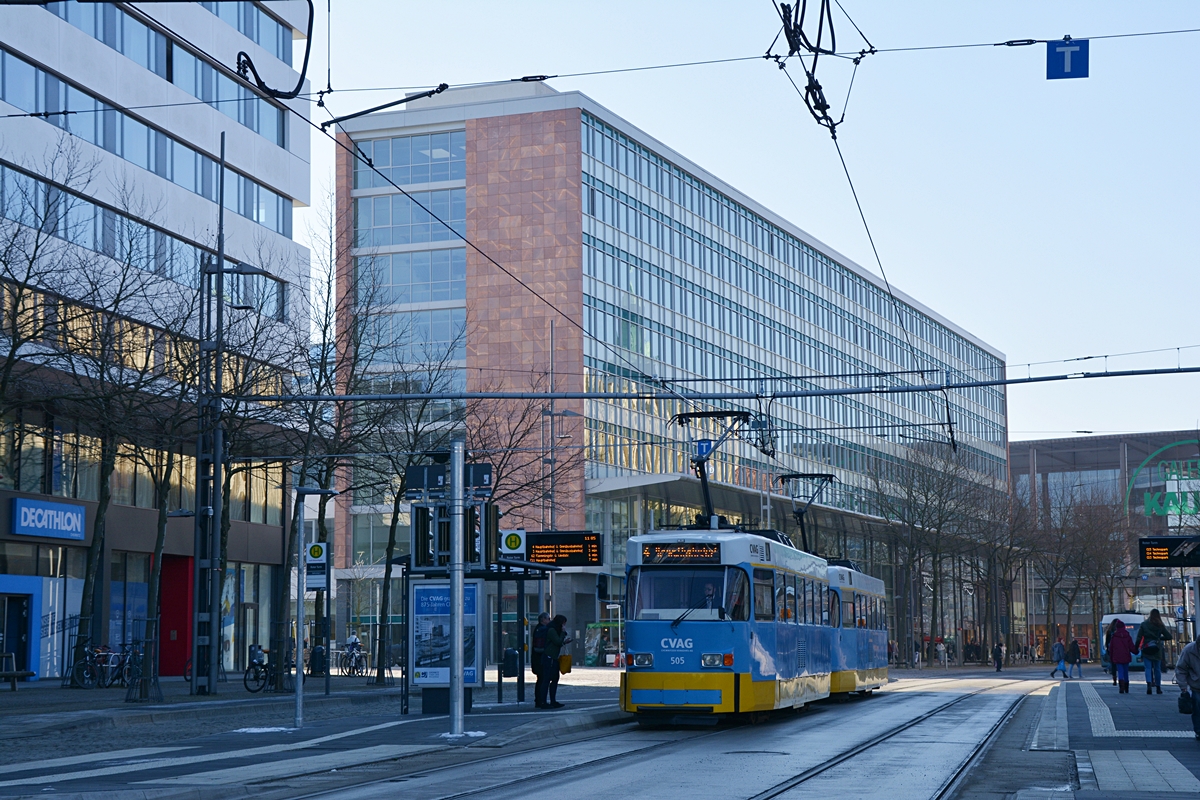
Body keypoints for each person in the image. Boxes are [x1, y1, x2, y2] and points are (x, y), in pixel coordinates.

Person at [1139, 608, 1173, 695]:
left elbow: (1139, 638)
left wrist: (1136, 648)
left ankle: (1149, 685)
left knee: (1148, 668)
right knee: (1157, 669)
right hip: (1157, 649)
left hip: (1146, 648)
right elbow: (1169, 636)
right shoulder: (1160, 625)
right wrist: (1159, 638)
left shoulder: (1144, 624)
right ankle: (1158, 687)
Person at [1173, 638, 1200, 740]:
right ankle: (1198, 731)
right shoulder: (1189, 650)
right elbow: (1181, 668)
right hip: (1196, 684)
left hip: (1195, 681)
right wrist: (1183, 687)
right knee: (1197, 707)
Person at [544, 614, 572, 709]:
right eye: (563, 624)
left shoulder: (554, 629)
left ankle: (553, 700)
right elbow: (558, 641)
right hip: (549, 657)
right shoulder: (552, 630)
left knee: (555, 678)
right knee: (547, 679)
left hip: (553, 657)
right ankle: (544, 701)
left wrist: (565, 641)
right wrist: (563, 633)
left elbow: (559, 642)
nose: (564, 626)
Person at [1108, 618, 1136, 693]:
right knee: (1126, 672)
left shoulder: (1114, 637)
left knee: (1120, 671)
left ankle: (1121, 687)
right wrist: (1136, 651)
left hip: (1117, 656)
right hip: (1126, 656)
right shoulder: (1127, 636)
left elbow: (1111, 648)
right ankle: (1126, 687)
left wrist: (1111, 657)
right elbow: (1131, 646)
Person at [531, 613, 551, 709]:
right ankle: (540, 701)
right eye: (548, 619)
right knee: (542, 680)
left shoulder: (539, 629)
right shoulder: (543, 629)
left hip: (538, 659)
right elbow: (538, 647)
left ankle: (539, 700)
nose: (549, 621)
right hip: (540, 659)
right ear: (543, 620)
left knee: (541, 680)